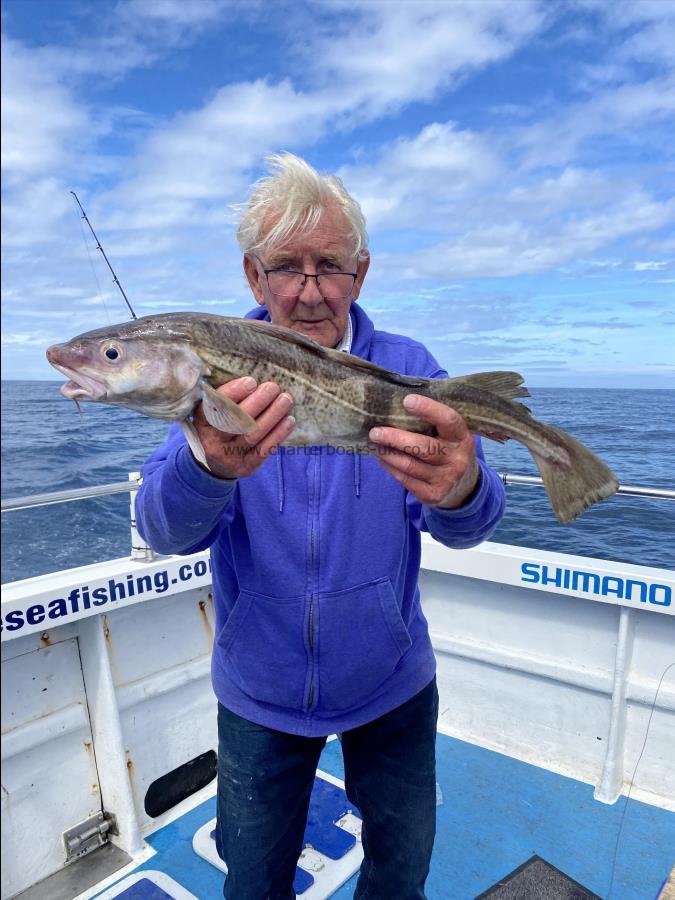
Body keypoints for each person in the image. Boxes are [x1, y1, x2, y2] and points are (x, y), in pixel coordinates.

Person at [135, 153, 506, 899]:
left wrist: (462, 487)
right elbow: (165, 530)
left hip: (392, 685)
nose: (308, 292)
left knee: (399, 875)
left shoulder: (407, 370)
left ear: (360, 273)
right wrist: (207, 468)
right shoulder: (212, 374)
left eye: (329, 265)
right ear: (252, 276)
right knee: (254, 881)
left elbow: (467, 529)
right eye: (286, 268)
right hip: (258, 695)